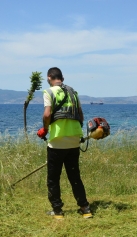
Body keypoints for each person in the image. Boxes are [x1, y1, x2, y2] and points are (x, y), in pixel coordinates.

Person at [37, 67, 92, 219]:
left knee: (53, 178)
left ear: (49, 77)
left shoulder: (49, 92)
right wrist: (76, 131)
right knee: (74, 176)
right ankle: (85, 208)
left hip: (57, 141)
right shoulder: (74, 93)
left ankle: (58, 211)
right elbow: (80, 116)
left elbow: (47, 114)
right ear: (62, 77)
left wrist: (45, 128)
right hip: (74, 140)